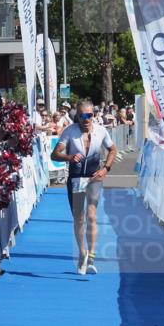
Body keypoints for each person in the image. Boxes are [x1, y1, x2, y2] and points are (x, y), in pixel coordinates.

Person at [50, 99, 117, 275]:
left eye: (89, 115)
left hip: (95, 178)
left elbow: (113, 150)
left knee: (92, 215)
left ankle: (92, 256)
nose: (86, 119)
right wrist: (70, 157)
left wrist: (106, 169)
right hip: (76, 179)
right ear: (77, 116)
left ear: (93, 115)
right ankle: (82, 253)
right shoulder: (69, 132)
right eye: (82, 116)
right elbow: (54, 154)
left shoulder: (101, 131)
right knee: (79, 218)